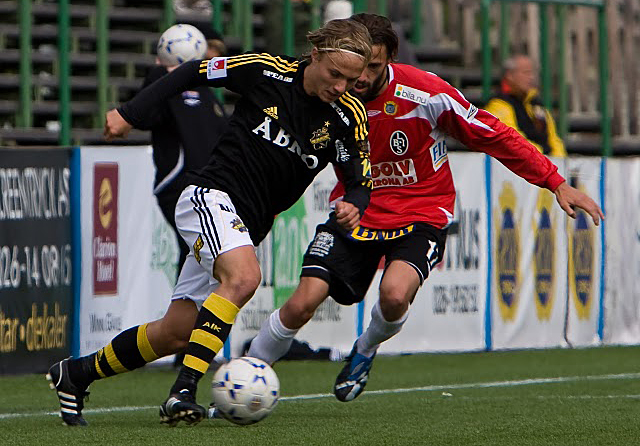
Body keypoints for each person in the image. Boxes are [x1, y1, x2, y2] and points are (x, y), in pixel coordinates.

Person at [246, 13, 603, 404]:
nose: (358, 77)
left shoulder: (425, 94)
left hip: (421, 214)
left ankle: (364, 349)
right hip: (356, 211)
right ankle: (245, 377)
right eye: (353, 66)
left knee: (395, 296)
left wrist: (555, 181)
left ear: (392, 59)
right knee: (301, 303)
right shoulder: (330, 94)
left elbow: (494, 134)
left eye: (372, 66)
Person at [46, 18, 373, 427]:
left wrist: (354, 204)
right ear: (317, 54)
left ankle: (74, 375)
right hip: (208, 196)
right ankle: (183, 390)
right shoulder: (265, 70)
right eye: (335, 74)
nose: (340, 86)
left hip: (246, 226)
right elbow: (192, 71)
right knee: (243, 278)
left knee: (175, 332)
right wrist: (131, 112)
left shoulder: (348, 116)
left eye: (352, 80)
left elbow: (360, 182)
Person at [145, 23, 228, 278]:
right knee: (202, 251)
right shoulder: (163, 80)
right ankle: (189, 314)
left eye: (219, 51)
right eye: (211, 48)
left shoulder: (208, 94)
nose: (215, 56)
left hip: (209, 189)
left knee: (202, 256)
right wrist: (164, 72)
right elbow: (146, 116)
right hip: (179, 185)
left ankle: (186, 314)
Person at [484, 54, 567, 157]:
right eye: (526, 72)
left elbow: (554, 139)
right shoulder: (498, 104)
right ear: (510, 75)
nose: (531, 77)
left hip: (545, 164)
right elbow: (512, 140)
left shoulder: (536, 104)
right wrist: (543, 157)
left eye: (532, 73)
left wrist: (559, 160)